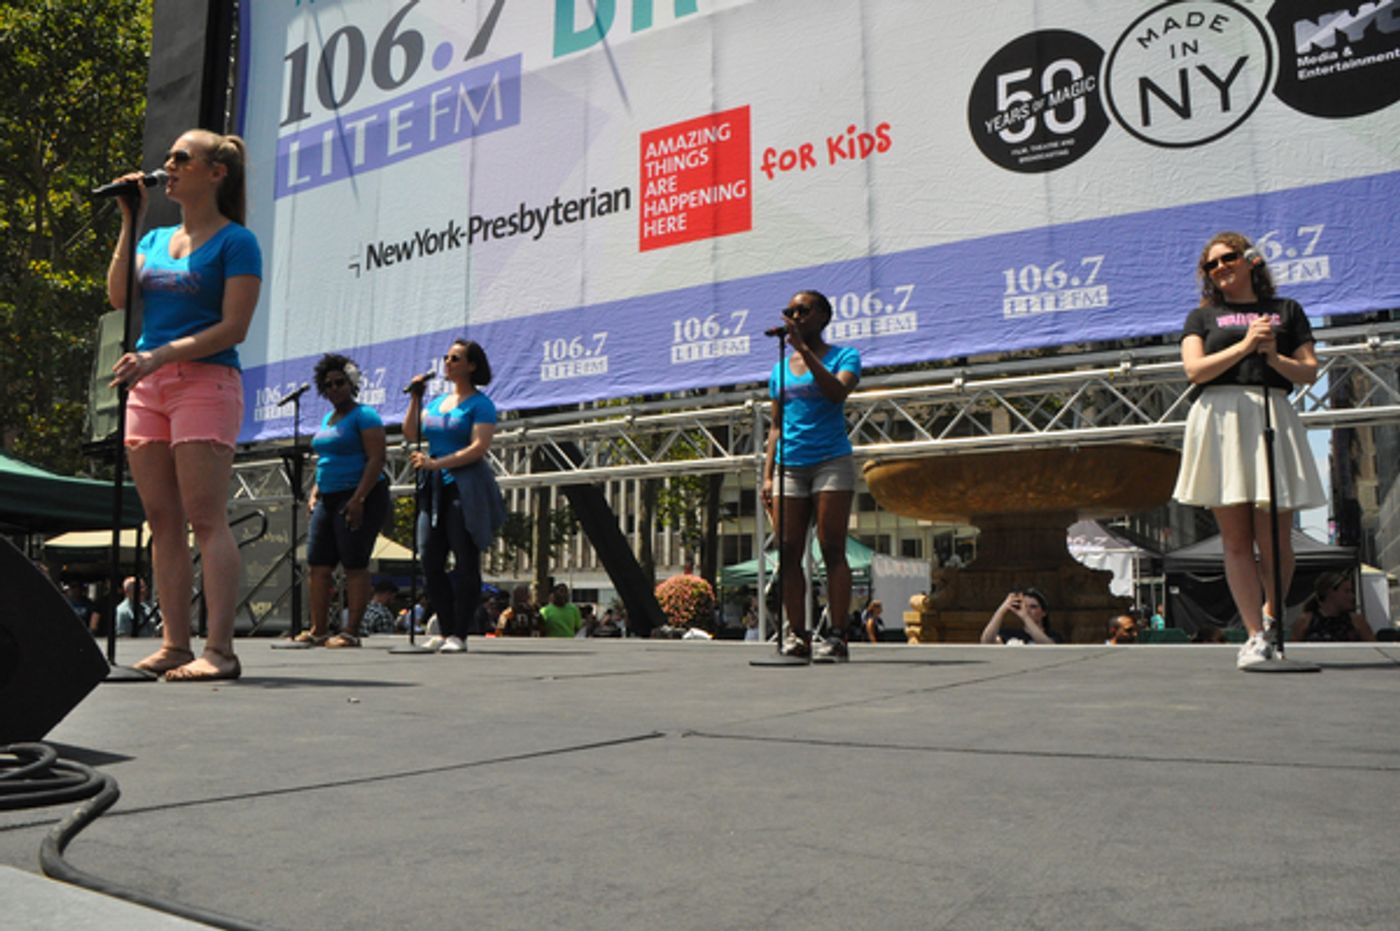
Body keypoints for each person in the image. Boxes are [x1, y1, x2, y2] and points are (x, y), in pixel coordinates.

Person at [106, 129, 260, 681]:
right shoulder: (154, 239)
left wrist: (158, 356)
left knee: (205, 517)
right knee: (162, 520)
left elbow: (233, 327)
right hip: (149, 385)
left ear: (215, 172)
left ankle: (219, 649)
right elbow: (121, 297)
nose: (167, 165)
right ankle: (174, 643)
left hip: (205, 381)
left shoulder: (236, 241)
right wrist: (131, 218)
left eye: (180, 158)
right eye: (168, 157)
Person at [1171, 232, 1325, 670]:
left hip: (1269, 413)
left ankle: (1274, 617)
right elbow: (1195, 369)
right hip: (1219, 420)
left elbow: (1309, 372)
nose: (1220, 268)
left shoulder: (1286, 311)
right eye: (1211, 265)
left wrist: (1273, 356)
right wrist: (1243, 345)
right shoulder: (1202, 317)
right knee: (1236, 540)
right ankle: (1254, 633)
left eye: (1228, 258)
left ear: (1251, 261)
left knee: (1274, 537)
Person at [762, 289, 861, 662]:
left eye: (802, 310)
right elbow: (775, 425)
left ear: (822, 315)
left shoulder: (845, 356)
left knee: (831, 547)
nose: (794, 316)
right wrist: (768, 476)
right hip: (789, 465)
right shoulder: (779, 370)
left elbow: (837, 393)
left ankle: (837, 636)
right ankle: (798, 635)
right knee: (788, 552)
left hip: (830, 461)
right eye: (790, 311)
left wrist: (803, 351)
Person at [404, 339, 504, 654]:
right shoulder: (436, 403)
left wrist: (437, 463)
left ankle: (459, 633)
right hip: (432, 487)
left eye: (456, 358)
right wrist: (415, 399)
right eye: (446, 358)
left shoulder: (480, 404)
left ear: (471, 365)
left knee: (464, 559)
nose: (448, 362)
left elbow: (478, 448)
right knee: (430, 558)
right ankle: (444, 627)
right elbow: (410, 433)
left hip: (465, 486)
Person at [297, 353, 390, 649]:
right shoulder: (328, 418)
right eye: (328, 385)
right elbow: (325, 459)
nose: (335, 388)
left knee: (354, 563)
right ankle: (319, 629)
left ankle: (351, 631)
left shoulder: (365, 416)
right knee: (318, 565)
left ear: (352, 383)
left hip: (359, 494)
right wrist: (315, 491)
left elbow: (377, 459)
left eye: (340, 382)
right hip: (327, 496)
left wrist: (359, 498)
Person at [1291, 570, 1375, 642]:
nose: (1352, 596)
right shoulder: (1306, 621)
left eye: (1351, 591)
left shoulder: (1357, 621)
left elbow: (1374, 649)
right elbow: (1293, 651)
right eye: (1346, 591)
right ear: (1330, 592)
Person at [981, 589, 1060, 644]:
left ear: (1044, 612)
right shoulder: (1009, 634)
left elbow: (1049, 647)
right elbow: (986, 641)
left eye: (1033, 607)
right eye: (1024, 606)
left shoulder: (1053, 635)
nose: (1027, 610)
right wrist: (1003, 608)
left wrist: (1025, 617)